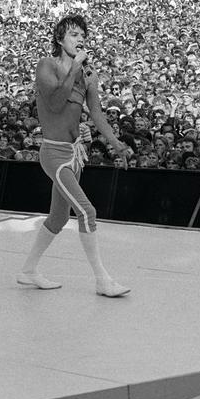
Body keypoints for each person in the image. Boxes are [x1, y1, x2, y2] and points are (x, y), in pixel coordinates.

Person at [17, 15, 131, 297]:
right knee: (87, 211)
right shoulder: (46, 65)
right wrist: (75, 67)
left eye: (82, 35)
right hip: (53, 153)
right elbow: (55, 103)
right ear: (59, 39)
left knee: (57, 218)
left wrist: (116, 143)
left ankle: (28, 271)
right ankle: (102, 280)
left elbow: (97, 115)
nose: (79, 39)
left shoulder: (88, 77)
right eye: (73, 35)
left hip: (74, 153)